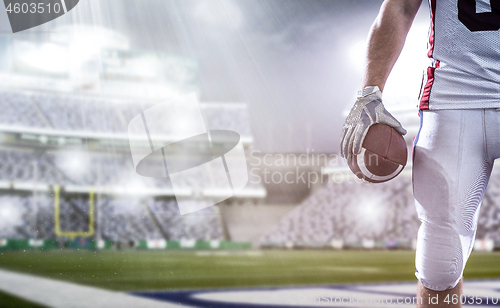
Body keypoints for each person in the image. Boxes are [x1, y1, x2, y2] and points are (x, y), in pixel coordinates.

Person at [340, 0, 500, 307]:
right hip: (455, 94)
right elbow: (400, 6)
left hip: (454, 96)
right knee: (440, 264)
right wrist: (370, 92)